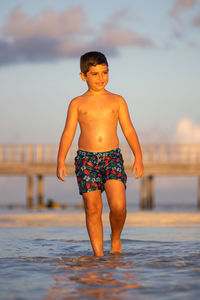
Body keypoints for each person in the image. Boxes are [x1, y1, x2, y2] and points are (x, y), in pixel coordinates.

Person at [57, 51, 144, 256]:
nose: (100, 78)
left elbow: (129, 130)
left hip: (112, 157)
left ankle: (115, 239)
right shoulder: (77, 103)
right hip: (86, 159)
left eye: (104, 72)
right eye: (94, 73)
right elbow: (68, 132)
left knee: (118, 206)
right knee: (93, 208)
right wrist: (61, 159)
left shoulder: (117, 100)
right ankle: (98, 256)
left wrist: (138, 156)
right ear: (83, 76)